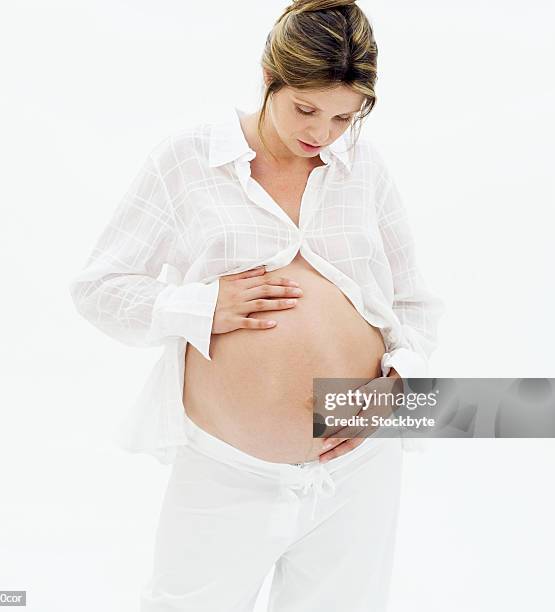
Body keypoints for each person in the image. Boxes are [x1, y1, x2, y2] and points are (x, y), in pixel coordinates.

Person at [68, 0, 446, 610]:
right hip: (226, 471)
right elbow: (100, 287)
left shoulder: (364, 167)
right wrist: (202, 305)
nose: (321, 134)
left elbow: (413, 300)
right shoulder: (189, 157)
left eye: (344, 118)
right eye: (305, 108)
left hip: (360, 468)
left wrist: (400, 383)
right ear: (269, 78)